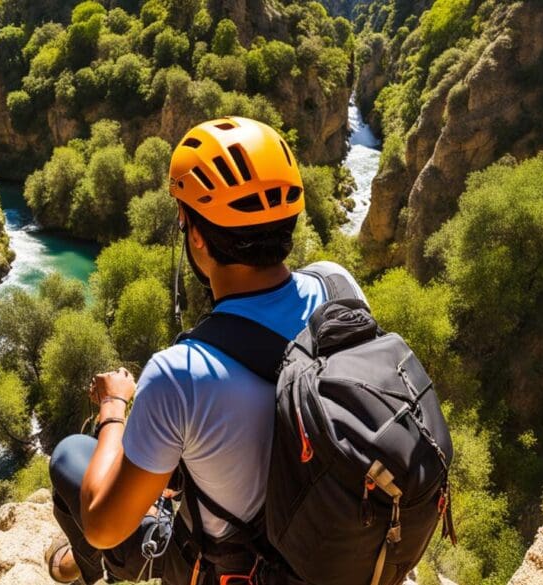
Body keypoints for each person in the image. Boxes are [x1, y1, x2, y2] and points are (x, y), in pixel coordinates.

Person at [46, 117, 361, 585]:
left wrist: (114, 406)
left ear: (195, 236)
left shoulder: (181, 375)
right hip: (336, 545)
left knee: (71, 456)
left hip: (235, 569)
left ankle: (88, 571)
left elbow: (103, 524)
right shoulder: (339, 286)